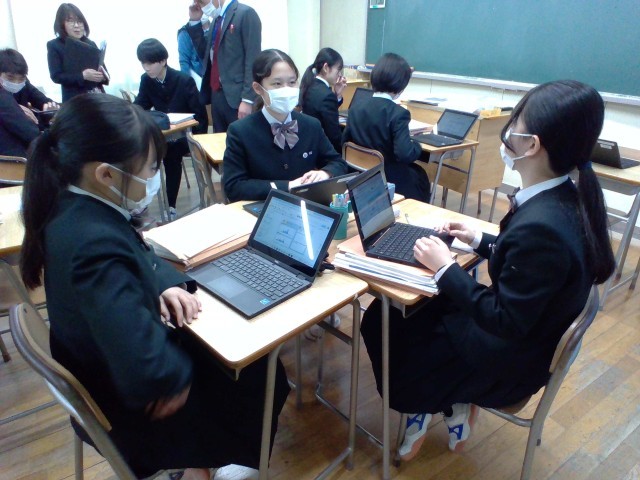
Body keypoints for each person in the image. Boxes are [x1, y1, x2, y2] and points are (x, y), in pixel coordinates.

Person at [20, 94, 289, 480]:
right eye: (150, 168)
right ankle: (224, 459)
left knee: (225, 350)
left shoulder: (70, 206)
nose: (155, 176)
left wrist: (163, 284)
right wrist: (174, 377)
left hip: (107, 378)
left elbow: (136, 251)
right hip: (132, 412)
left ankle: (209, 458)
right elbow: (148, 369)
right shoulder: (93, 243)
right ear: (106, 174)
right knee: (260, 370)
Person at [360, 79, 615, 461]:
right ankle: (443, 400)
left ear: (531, 145)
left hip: (510, 360)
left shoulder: (543, 225)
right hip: (524, 331)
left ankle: (431, 402)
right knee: (408, 311)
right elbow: (527, 266)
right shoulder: (562, 197)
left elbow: (504, 318)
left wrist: (446, 268)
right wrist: (479, 239)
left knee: (383, 322)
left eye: (514, 124)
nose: (507, 134)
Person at [222, 48, 348, 203]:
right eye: (277, 83)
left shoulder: (311, 125)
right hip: (263, 208)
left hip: (306, 208)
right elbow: (234, 187)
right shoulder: (240, 131)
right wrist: (287, 186)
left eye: (292, 82)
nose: (286, 89)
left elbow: (338, 163)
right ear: (258, 88)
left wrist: (325, 173)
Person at [133, 38, 207, 219]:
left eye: (150, 63)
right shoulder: (146, 80)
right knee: (145, 151)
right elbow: (140, 105)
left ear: (163, 60)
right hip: (166, 134)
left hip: (187, 135)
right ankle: (140, 200)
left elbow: (200, 115)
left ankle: (171, 206)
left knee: (170, 153)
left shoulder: (183, 80)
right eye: (143, 63)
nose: (146, 68)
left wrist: (198, 139)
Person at [342, 52, 430, 202]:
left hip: (359, 174)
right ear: (400, 85)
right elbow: (404, 154)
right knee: (420, 175)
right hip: (387, 178)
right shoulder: (399, 114)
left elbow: (345, 142)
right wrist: (417, 146)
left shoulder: (356, 107)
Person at [185, 0, 262, 132]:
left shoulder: (245, 13)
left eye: (202, 2)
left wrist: (248, 99)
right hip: (217, 93)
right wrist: (195, 21)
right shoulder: (216, 20)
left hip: (238, 96)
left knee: (241, 139)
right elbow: (206, 53)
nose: (202, 7)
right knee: (220, 140)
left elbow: (253, 58)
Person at [47, 3, 109, 102]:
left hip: (97, 97)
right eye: (70, 21)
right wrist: (83, 76)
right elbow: (56, 76)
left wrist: (102, 76)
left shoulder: (91, 43)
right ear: (61, 24)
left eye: (79, 21)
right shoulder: (54, 45)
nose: (76, 26)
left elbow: (104, 71)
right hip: (74, 100)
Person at [298, 47, 347, 154]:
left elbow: (322, 109)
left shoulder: (309, 85)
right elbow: (334, 136)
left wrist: (337, 95)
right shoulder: (326, 95)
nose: (339, 74)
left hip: (309, 144)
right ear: (326, 67)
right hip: (322, 150)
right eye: (338, 70)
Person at [0, 48, 58, 115]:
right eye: (10, 77)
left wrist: (50, 108)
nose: (16, 82)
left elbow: (42, 100)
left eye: (21, 78)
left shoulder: (25, 84)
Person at [0, 67, 39, 157]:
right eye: (10, 77)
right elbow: (30, 133)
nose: (15, 82)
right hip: (14, 160)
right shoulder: (3, 98)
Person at [177, 16, 210, 82]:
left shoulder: (216, 26)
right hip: (200, 80)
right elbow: (184, 62)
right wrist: (187, 84)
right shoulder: (185, 33)